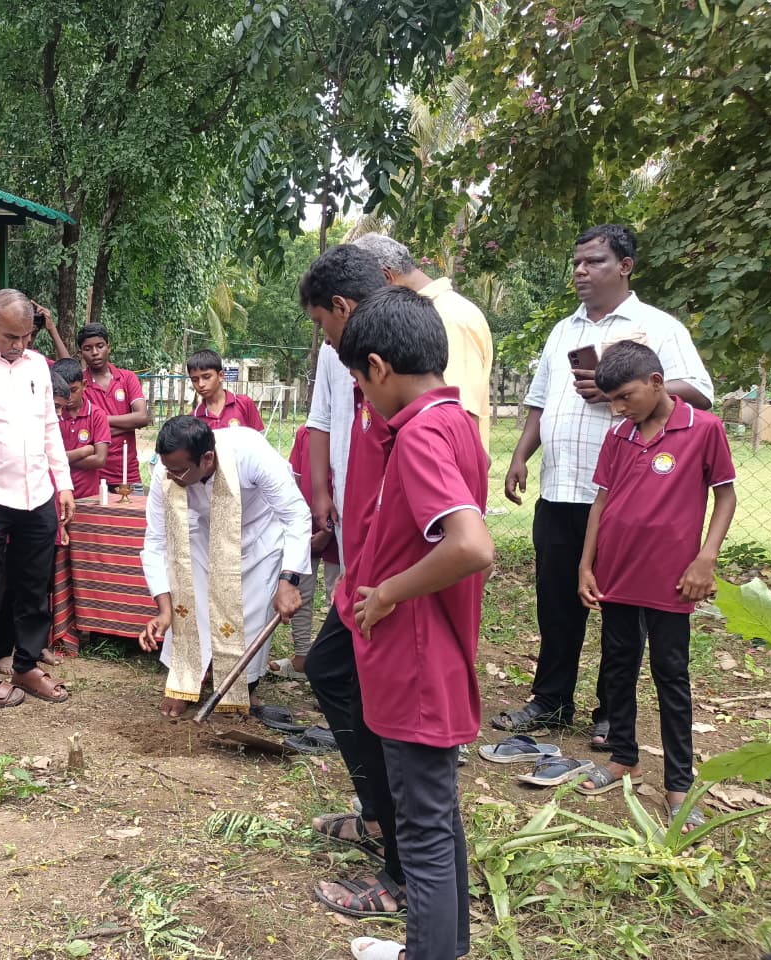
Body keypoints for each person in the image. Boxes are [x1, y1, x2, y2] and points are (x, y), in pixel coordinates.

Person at [496, 225, 714, 746]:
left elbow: (700, 392)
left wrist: (617, 386)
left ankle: (612, 714)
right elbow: (540, 401)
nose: (580, 271)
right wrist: (521, 455)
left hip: (623, 498)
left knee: (621, 611)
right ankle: (551, 700)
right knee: (555, 602)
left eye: (593, 262)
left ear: (625, 266)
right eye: (577, 262)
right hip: (560, 489)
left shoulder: (657, 327)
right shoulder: (562, 331)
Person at [340, 286, 494, 960]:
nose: (361, 397)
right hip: (430, 656)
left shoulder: (423, 432)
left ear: (377, 367)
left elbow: (470, 544)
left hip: (415, 660)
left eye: (357, 381)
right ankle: (443, 948)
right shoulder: (455, 420)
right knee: (438, 818)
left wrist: (386, 595)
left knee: (424, 831)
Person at [575, 341, 735, 827]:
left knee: (672, 676)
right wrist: (586, 565)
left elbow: (724, 498)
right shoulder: (620, 436)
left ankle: (679, 783)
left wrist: (705, 559)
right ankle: (624, 755)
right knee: (618, 665)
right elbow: (601, 504)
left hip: (672, 582)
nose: (620, 409)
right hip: (617, 575)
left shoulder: (704, 429)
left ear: (657, 383)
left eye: (625, 397)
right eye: (613, 402)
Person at [297, 243, 401, 915]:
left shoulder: (394, 371)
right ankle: (376, 812)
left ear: (344, 310)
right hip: (359, 564)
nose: (323, 340)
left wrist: (388, 583)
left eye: (322, 324)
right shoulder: (354, 368)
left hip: (391, 579)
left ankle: (401, 871)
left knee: (390, 716)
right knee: (331, 671)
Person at [138, 416, 309, 717]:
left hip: (258, 539)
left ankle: (241, 687)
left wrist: (288, 579)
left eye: (179, 470)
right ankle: (187, 683)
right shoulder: (167, 473)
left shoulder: (250, 451)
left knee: (249, 617)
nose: (171, 477)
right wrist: (164, 610)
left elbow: (295, 515)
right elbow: (155, 542)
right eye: (168, 469)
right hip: (205, 537)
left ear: (207, 458)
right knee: (193, 607)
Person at [0, 289, 75, 707]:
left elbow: (49, 428)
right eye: (10, 336)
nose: (19, 344)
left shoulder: (38, 366)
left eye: (25, 336)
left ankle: (25, 665)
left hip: (37, 493)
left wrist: (64, 485)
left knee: (34, 584)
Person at [351, 233, 494, 452]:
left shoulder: (449, 317)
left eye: (364, 296)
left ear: (385, 277)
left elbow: (459, 417)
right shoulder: (419, 315)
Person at [275, 424, 340, 679]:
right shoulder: (305, 433)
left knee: (338, 597)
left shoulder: (349, 431)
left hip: (342, 525)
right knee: (301, 590)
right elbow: (295, 479)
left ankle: (335, 666)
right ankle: (302, 657)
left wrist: (330, 530)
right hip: (306, 526)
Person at [78, 322, 148, 488]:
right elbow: (84, 430)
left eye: (100, 346)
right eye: (88, 348)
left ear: (109, 347)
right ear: (81, 353)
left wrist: (100, 421)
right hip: (93, 476)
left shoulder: (127, 378)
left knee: (130, 514)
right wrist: (128, 426)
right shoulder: (80, 385)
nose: (95, 352)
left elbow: (142, 417)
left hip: (127, 473)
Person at [51, 357, 110, 501]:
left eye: (73, 390)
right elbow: (44, 459)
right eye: (64, 392)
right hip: (56, 495)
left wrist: (57, 460)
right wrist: (83, 451)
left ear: (84, 385)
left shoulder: (97, 415)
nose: (69, 397)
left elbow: (100, 460)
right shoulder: (51, 415)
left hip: (88, 497)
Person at [188, 349, 264, 432]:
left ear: (221, 376)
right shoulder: (194, 419)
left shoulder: (244, 404)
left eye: (206, 377)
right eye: (195, 380)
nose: (201, 384)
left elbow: (259, 440)